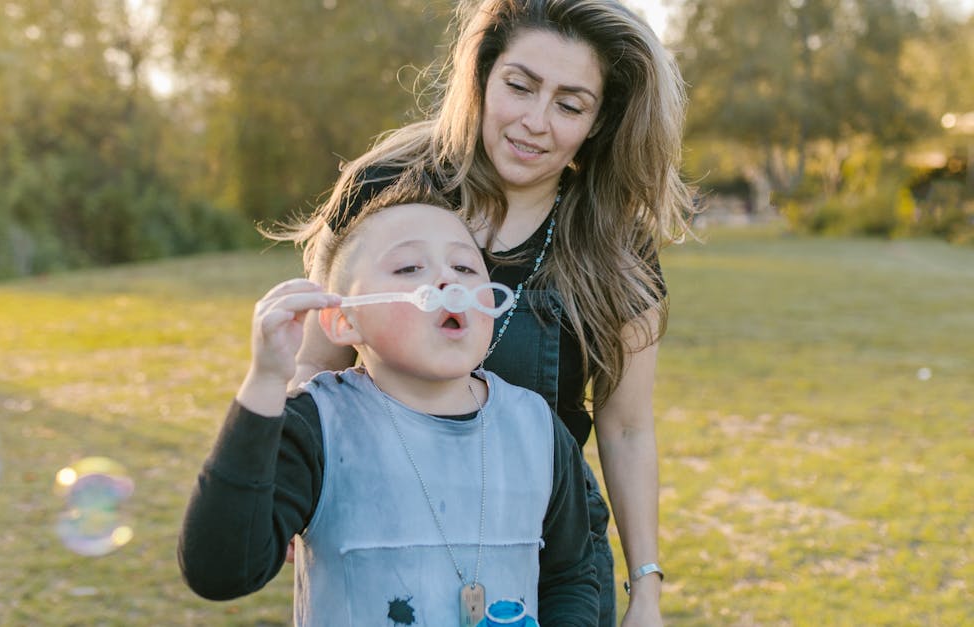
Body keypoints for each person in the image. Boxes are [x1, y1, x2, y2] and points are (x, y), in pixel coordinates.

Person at [279, 1, 696, 625]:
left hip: (552, 554)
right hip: (384, 534)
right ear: (482, 77)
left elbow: (627, 428)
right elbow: (317, 359)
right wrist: (290, 479)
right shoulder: (387, 183)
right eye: (520, 86)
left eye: (569, 104)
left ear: (599, 121)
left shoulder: (615, 240)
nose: (535, 122)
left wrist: (648, 592)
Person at [178, 176, 601, 625]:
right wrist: (265, 382)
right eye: (408, 268)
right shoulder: (317, 426)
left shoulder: (536, 427)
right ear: (343, 322)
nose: (446, 280)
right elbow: (219, 572)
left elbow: (569, 578)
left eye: (465, 267)